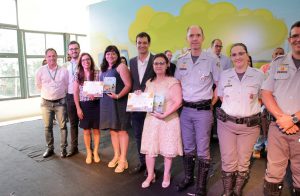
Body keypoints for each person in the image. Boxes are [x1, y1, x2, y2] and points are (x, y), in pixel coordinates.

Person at [175, 25, 220, 196]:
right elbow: (178, 83)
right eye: (191, 35)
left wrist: (212, 102)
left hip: (203, 111)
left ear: (203, 37)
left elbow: (219, 84)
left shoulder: (211, 59)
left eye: (198, 35)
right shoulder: (181, 60)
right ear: (187, 38)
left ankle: (201, 185)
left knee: (203, 149)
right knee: (188, 148)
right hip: (186, 111)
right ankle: (188, 178)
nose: (194, 38)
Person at [216, 43, 265, 196]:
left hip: (249, 127)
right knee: (228, 159)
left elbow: (263, 97)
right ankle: (227, 191)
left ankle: (237, 190)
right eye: (234, 54)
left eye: (241, 53)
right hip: (226, 124)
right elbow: (221, 96)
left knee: (243, 160)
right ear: (231, 57)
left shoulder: (259, 75)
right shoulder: (225, 75)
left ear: (247, 54)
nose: (237, 57)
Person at [262, 21, 300, 195]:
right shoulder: (278, 63)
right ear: (289, 39)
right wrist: (281, 118)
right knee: (273, 172)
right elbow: (266, 93)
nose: (298, 39)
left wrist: (293, 119)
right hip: (277, 128)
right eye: (295, 36)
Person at [140, 53, 183, 188]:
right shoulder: (149, 82)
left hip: (168, 120)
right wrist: (139, 96)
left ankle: (166, 175)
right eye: (156, 63)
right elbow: (146, 100)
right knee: (149, 149)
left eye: (161, 63)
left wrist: (165, 114)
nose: (158, 66)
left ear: (167, 65)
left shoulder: (173, 81)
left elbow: (178, 102)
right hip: (151, 120)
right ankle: (150, 175)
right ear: (152, 66)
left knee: (167, 148)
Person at [100, 45, 132, 173]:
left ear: (117, 55)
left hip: (119, 103)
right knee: (113, 131)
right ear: (105, 55)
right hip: (107, 104)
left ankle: (123, 159)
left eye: (113, 53)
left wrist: (118, 95)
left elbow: (128, 85)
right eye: (108, 54)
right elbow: (101, 86)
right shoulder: (104, 69)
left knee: (122, 131)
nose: (110, 56)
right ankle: (117, 156)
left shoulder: (121, 67)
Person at [252, 47, 285, 159]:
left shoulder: (286, 68)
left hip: (280, 104)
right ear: (272, 55)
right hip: (265, 102)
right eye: (276, 53)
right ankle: (257, 147)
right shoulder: (264, 68)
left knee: (274, 127)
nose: (278, 55)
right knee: (262, 123)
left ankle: (269, 146)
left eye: (281, 53)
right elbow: (260, 87)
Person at [35, 48, 69, 158]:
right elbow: (38, 85)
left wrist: (57, 93)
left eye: (53, 55)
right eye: (49, 56)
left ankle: (63, 149)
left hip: (60, 102)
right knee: (47, 127)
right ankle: (50, 148)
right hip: (46, 103)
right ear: (45, 58)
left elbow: (67, 85)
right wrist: (49, 93)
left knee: (63, 126)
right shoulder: (40, 71)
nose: (51, 58)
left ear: (57, 57)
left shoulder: (64, 70)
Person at [129, 32, 154, 175]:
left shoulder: (156, 59)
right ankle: (142, 162)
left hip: (151, 103)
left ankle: (151, 166)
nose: (142, 45)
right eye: (139, 42)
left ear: (148, 44)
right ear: (136, 44)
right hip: (136, 103)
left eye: (144, 42)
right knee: (138, 135)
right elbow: (131, 82)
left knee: (151, 135)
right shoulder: (131, 61)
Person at [73, 53, 100, 164]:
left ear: (91, 60)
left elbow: (104, 89)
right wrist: (78, 108)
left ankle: (96, 152)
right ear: (80, 62)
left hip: (97, 104)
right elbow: (75, 92)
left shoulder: (98, 73)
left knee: (96, 130)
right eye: (83, 60)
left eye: (88, 59)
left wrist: (97, 95)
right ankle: (89, 152)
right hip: (84, 105)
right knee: (86, 130)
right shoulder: (78, 74)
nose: (86, 61)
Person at [64, 41, 81, 157]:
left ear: (79, 49)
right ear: (68, 51)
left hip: (84, 97)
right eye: (71, 49)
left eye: (76, 48)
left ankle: (90, 149)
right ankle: (73, 148)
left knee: (86, 125)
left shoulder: (85, 62)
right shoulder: (66, 66)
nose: (74, 51)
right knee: (73, 124)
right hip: (70, 96)